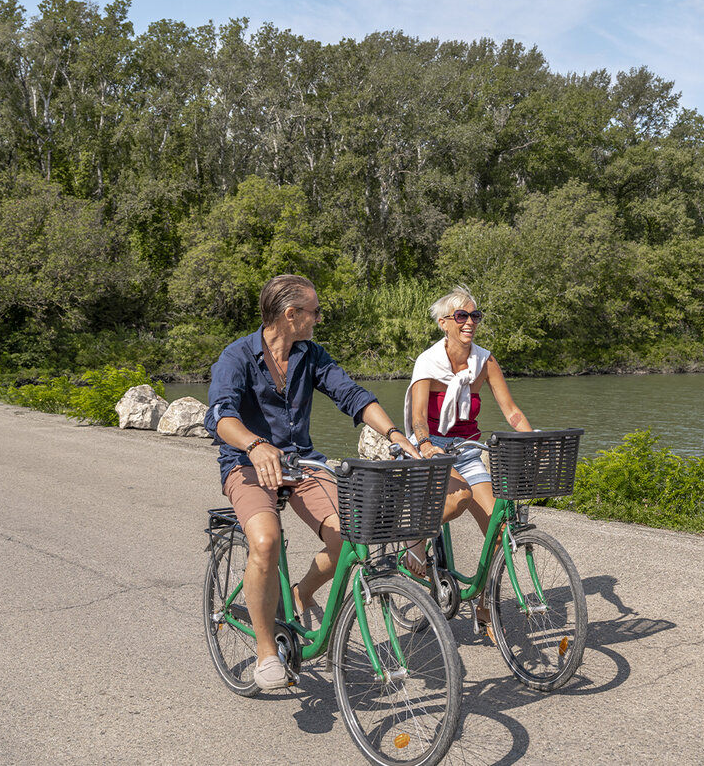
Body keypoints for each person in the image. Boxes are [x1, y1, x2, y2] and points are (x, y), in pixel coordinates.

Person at [204, 274, 420, 690]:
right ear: (290, 315)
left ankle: (300, 594)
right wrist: (254, 446)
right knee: (264, 542)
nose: (319, 317)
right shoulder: (236, 358)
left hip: (300, 463)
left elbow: (353, 396)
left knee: (351, 537)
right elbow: (220, 416)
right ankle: (266, 651)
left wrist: (396, 436)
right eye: (314, 311)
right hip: (247, 463)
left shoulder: (310, 354)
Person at [403, 285, 532, 629]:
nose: (470, 322)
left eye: (475, 315)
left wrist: (531, 439)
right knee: (457, 500)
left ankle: (486, 601)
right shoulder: (428, 362)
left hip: (467, 448)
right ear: (445, 323)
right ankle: (415, 537)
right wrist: (427, 445)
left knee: (499, 527)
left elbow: (512, 411)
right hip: (432, 447)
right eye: (462, 315)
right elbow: (418, 418)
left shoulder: (484, 361)